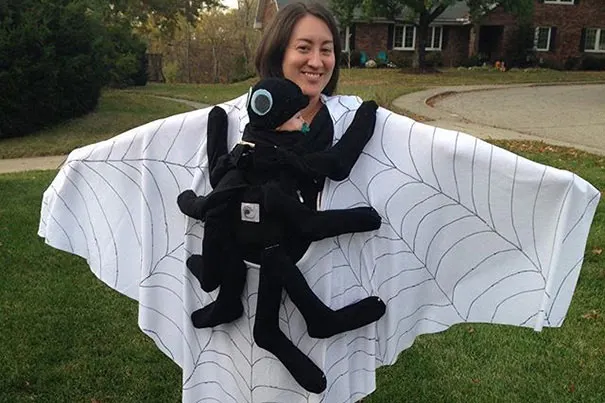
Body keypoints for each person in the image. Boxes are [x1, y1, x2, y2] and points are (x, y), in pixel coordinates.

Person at [37, 1, 599, 402]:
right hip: (238, 314)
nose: (317, 60)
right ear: (276, 53)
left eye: (327, 49)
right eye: (303, 47)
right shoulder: (235, 119)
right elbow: (151, 147)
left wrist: (552, 186)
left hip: (327, 281)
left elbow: (452, 156)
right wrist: (82, 165)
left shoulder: (357, 119)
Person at [177, 77, 385, 393]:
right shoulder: (279, 164)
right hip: (264, 241)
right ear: (282, 123)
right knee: (260, 253)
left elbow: (213, 186)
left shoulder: (247, 156)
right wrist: (361, 219)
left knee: (266, 314)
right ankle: (237, 301)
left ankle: (225, 289)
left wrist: (215, 130)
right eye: (299, 117)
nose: (304, 121)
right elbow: (321, 198)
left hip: (267, 245)